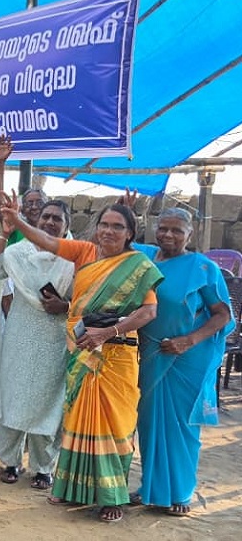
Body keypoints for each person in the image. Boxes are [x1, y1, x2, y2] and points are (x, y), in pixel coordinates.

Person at [1, 194, 162, 523]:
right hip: (81, 349)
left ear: (130, 233)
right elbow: (46, 239)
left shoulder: (139, 266)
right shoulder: (85, 252)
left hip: (116, 354)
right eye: (103, 224)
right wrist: (16, 221)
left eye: (117, 227)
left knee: (114, 422)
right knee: (76, 419)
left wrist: (108, 333)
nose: (108, 231)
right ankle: (71, 487)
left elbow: (149, 311)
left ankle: (111, 496)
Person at [133, 207, 234, 516]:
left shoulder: (202, 267)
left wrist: (188, 341)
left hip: (186, 356)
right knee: (149, 423)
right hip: (151, 353)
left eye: (177, 230)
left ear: (190, 234)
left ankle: (180, 492)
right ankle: (151, 487)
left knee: (182, 427)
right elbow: (112, 240)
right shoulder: (145, 255)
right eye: (163, 228)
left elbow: (223, 314)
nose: (168, 235)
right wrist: (133, 213)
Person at [0, 200, 74, 489]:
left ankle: (43, 467)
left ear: (67, 225)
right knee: (13, 397)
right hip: (19, 334)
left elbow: (87, 294)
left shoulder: (73, 257)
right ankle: (10, 462)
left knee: (49, 401)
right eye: (45, 216)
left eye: (57, 218)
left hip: (55, 336)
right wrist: (4, 234)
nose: (49, 222)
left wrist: (66, 305)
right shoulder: (17, 252)